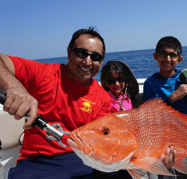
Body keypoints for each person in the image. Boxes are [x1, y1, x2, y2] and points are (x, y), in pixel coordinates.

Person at [0, 27, 123, 179]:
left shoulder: (103, 97)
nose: (87, 61)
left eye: (95, 57)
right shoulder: (44, 74)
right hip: (40, 163)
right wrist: (13, 87)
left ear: (102, 61)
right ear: (69, 52)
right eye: (81, 53)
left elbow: (106, 138)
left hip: (86, 159)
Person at [143, 36, 187, 179]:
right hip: (165, 132)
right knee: (180, 164)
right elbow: (150, 115)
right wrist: (173, 97)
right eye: (163, 54)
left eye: (173, 55)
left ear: (179, 59)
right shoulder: (150, 83)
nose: (168, 59)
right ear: (155, 56)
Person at [100, 60, 178, 178]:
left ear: (126, 80)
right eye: (111, 81)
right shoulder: (105, 100)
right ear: (105, 82)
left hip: (136, 143)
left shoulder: (128, 98)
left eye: (120, 80)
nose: (116, 84)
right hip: (120, 147)